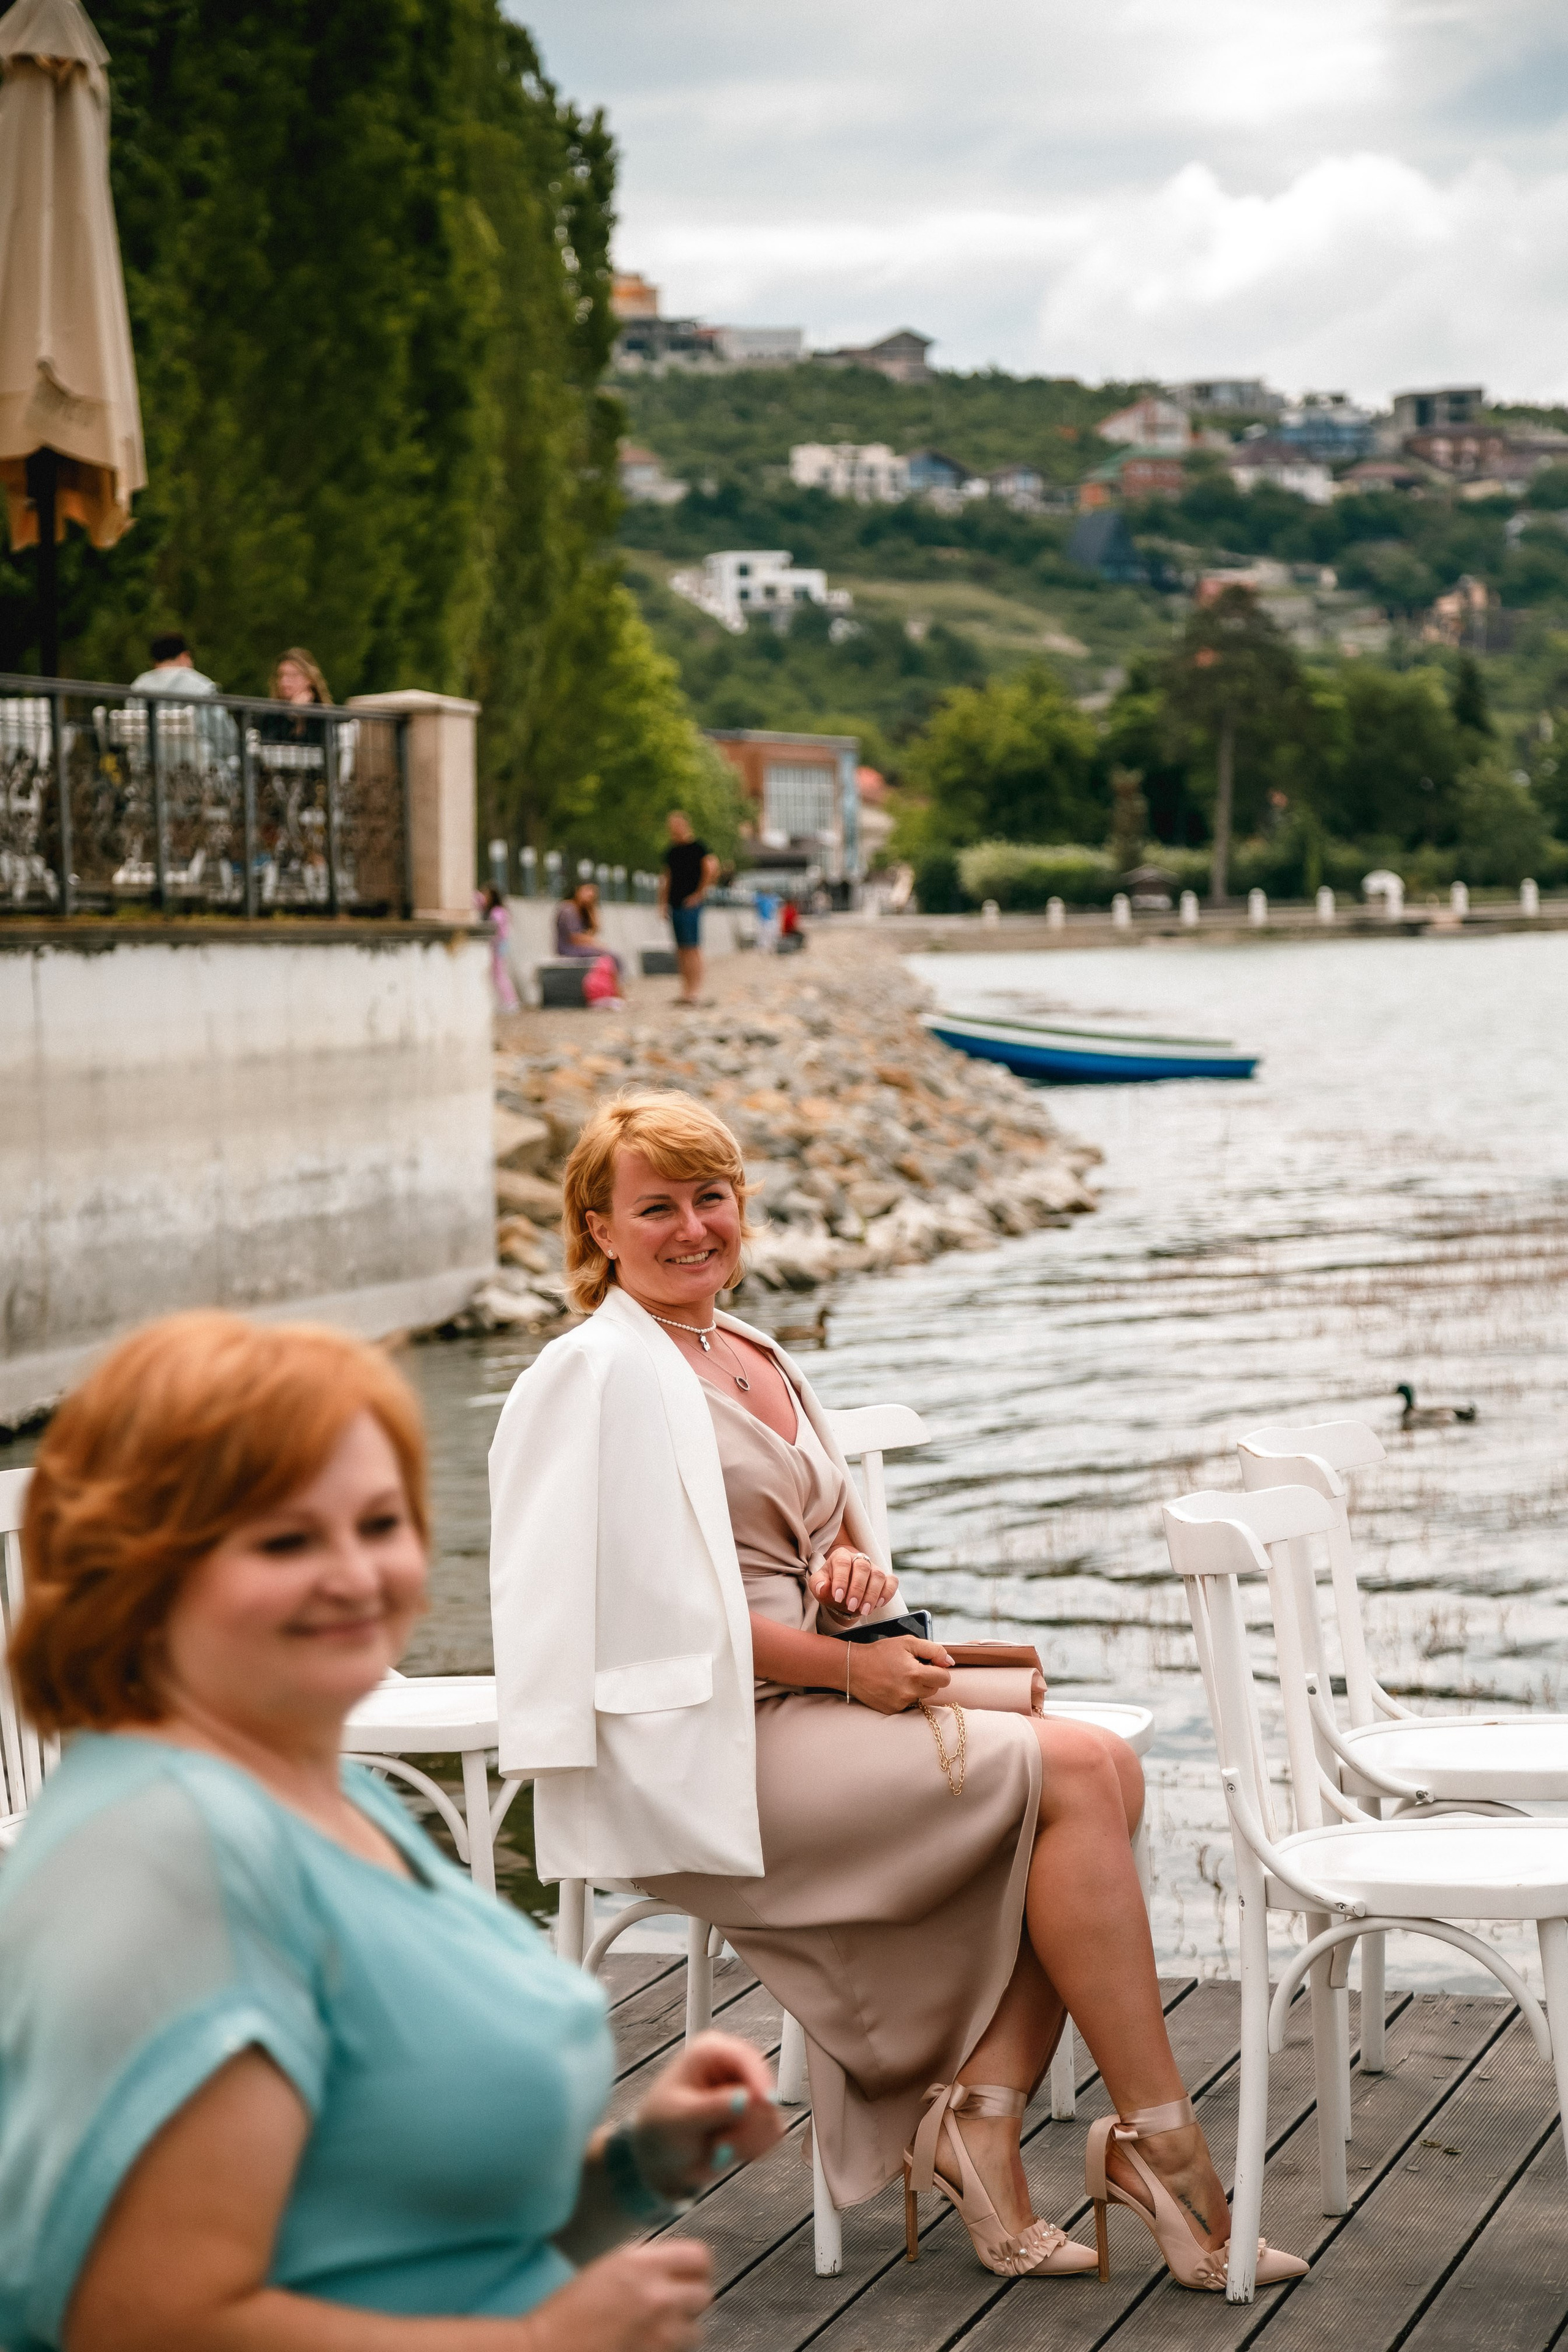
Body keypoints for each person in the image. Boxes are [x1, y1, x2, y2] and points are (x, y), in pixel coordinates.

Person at [489, 1095, 1307, 2293]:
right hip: (696, 1746)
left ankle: (983, 2124)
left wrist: (848, 1581)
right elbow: (611, 1623)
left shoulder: (755, 1351)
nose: (689, 1226)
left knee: (1102, 1772)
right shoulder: (588, 1374)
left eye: (709, 1197)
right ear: (596, 1228)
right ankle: (1164, 2158)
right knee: (1073, 1771)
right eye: (653, 1206)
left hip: (806, 1706)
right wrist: (844, 1666)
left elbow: (830, 1562)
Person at [0, 1311, 782, 2351]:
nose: (356, 1575)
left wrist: (633, 2173)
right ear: (139, 1570)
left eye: (379, 1524)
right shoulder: (166, 1850)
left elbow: (388, 2246)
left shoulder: (324, 1789)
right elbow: (142, 2317)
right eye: (285, 1539)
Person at [657, 813, 718, 1006]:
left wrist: (700, 894)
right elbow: (667, 878)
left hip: (691, 904)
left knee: (692, 947)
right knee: (681, 949)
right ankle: (685, 991)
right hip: (675, 903)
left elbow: (712, 868)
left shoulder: (698, 847)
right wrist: (663, 903)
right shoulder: (672, 851)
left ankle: (695, 991)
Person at [554, 881, 623, 1004]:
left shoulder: (582, 909)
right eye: (588, 891)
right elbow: (574, 937)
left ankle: (614, 991)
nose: (591, 895)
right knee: (611, 956)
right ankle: (616, 992)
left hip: (578, 947)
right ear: (578, 890)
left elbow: (595, 929)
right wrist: (595, 943)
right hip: (568, 948)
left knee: (612, 956)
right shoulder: (568, 909)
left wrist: (591, 909)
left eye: (593, 892)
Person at [258, 646, 332, 747]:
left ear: (309, 679)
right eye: (281, 676)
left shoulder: (323, 715)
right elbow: (268, 746)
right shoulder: (272, 715)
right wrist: (291, 715)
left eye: (293, 675)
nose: (284, 682)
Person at [480, 884, 521, 1014]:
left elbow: (496, 929)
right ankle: (508, 1001)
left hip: (498, 945)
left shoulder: (496, 912)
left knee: (499, 974)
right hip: (500, 945)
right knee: (498, 974)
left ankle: (511, 1001)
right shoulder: (501, 911)